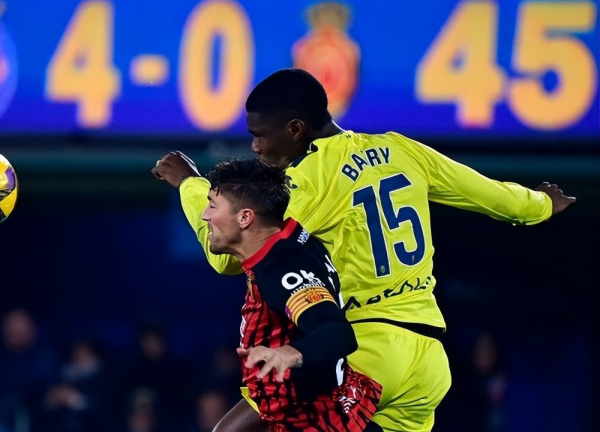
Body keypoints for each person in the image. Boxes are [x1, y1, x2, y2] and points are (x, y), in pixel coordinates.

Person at [151, 68, 576, 432]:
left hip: (365, 350)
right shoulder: (403, 150)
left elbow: (227, 253)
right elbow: (493, 197)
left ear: (295, 129)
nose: (256, 147)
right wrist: (540, 205)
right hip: (429, 360)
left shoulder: (308, 181)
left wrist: (190, 183)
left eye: (259, 135)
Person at [182, 157, 382, 431]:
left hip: (316, 419)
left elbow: (336, 333)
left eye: (213, 206)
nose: (205, 215)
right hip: (291, 405)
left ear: (245, 217)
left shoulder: (284, 270)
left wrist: (292, 352)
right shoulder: (287, 238)